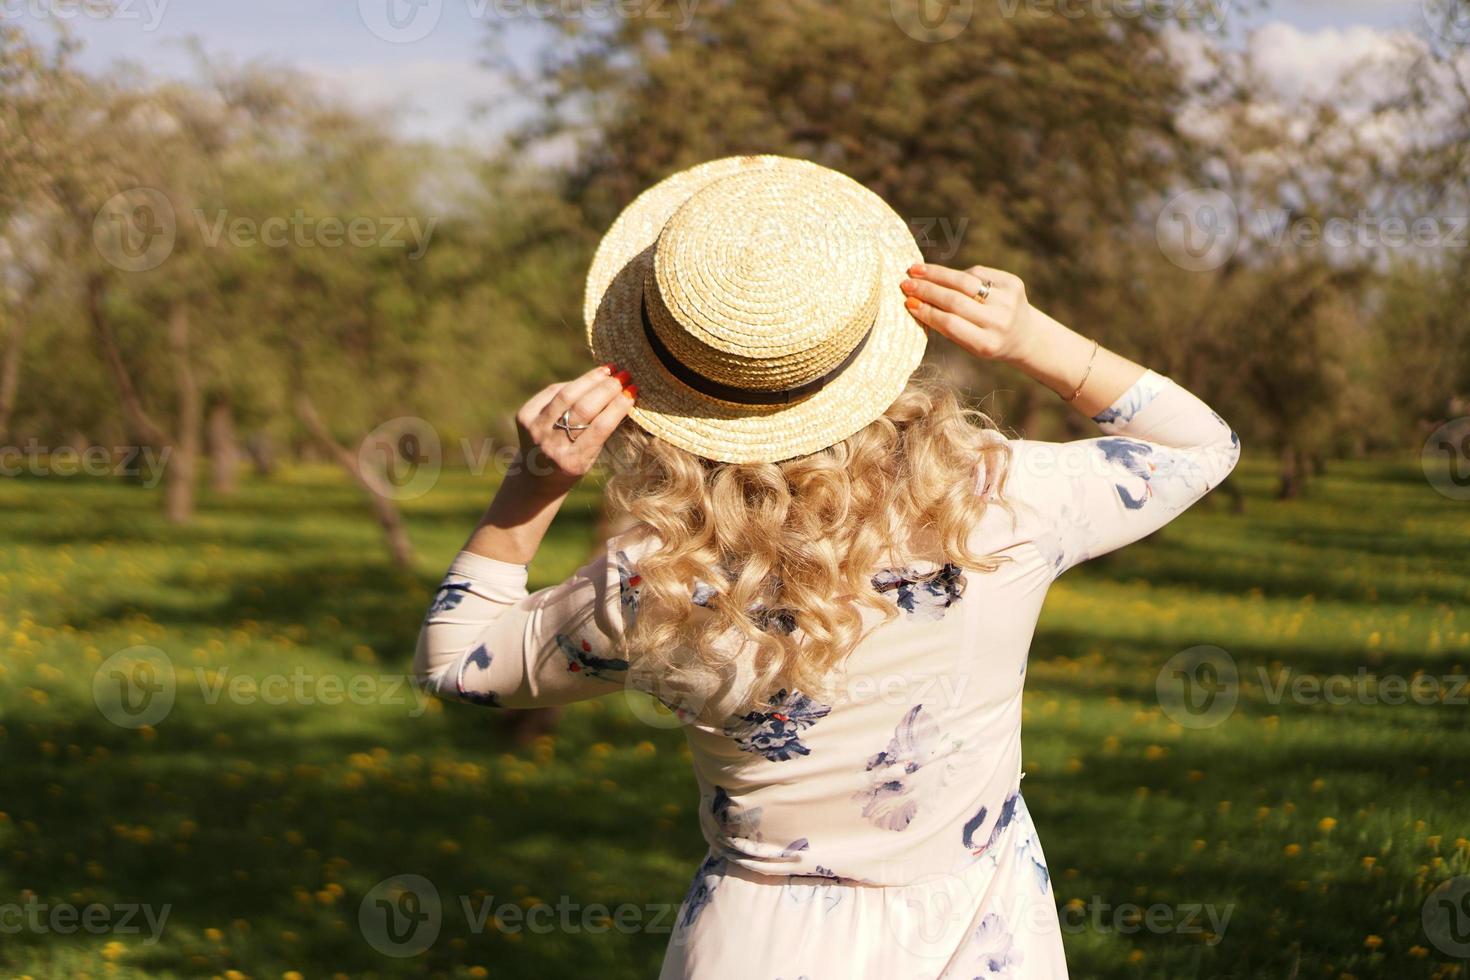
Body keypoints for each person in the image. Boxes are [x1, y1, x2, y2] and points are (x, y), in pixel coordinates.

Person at [413, 156, 1240, 979]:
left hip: (759, 947)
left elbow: (455, 663)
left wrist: (535, 482)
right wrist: (1031, 339)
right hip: (979, 932)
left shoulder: (652, 582)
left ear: (665, 379)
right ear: (870, 335)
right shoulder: (995, 500)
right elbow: (1203, 447)